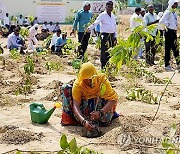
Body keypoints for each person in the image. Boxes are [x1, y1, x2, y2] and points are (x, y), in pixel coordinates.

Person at [61, 62, 119, 132]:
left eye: (91, 78)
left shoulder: (102, 81)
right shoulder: (78, 84)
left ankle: (96, 121)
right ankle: (77, 121)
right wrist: (84, 121)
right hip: (84, 110)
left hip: (100, 110)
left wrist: (100, 113)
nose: (88, 81)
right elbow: (76, 105)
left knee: (105, 120)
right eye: (85, 79)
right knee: (65, 88)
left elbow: (113, 100)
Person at [89, 1, 117, 69]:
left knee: (111, 51)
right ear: (106, 7)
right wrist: (89, 28)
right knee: (104, 51)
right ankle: (103, 66)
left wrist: (115, 36)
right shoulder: (103, 15)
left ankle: (109, 65)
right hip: (105, 35)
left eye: (111, 7)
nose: (110, 8)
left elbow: (115, 26)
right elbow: (96, 22)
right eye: (108, 7)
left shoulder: (113, 15)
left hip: (112, 35)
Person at [159, 0, 180, 71]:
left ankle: (178, 64)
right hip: (169, 32)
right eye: (175, 4)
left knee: (176, 49)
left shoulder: (173, 12)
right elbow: (161, 21)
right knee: (168, 49)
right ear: (172, 4)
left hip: (173, 32)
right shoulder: (168, 12)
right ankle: (167, 65)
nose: (177, 5)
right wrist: (168, 26)